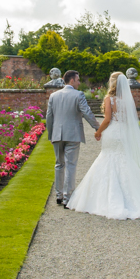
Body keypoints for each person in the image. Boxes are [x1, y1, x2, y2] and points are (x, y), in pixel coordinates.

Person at [67, 71, 140, 220]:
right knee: (124, 160)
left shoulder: (109, 99)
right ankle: (133, 197)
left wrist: (98, 132)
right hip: (123, 133)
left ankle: (104, 198)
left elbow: (108, 119)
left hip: (112, 132)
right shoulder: (128, 100)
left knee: (107, 158)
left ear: (112, 83)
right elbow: (130, 120)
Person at [45, 69, 98, 206]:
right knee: (71, 165)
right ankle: (67, 198)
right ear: (72, 80)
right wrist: (97, 127)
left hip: (57, 134)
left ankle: (58, 195)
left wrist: (51, 135)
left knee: (59, 164)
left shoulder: (53, 96)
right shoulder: (78, 94)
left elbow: (49, 118)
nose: (79, 82)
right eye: (78, 80)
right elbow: (87, 112)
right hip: (73, 134)